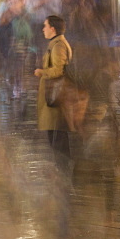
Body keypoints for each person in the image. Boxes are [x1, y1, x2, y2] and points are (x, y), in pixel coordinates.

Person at [34, 15, 74, 165]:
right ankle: (61, 167)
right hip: (53, 96)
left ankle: (62, 169)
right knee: (56, 135)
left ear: (52, 28)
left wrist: (42, 72)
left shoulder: (58, 46)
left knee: (57, 136)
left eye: (45, 26)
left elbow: (59, 70)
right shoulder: (56, 43)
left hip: (55, 97)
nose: (43, 29)